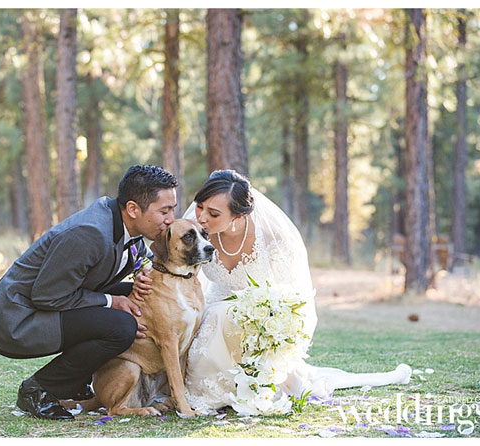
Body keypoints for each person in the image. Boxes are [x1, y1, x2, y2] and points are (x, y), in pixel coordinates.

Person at [136, 169, 411, 414]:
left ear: (238, 215)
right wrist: (141, 281)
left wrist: (273, 327)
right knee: (216, 318)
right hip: (214, 314)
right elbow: (169, 267)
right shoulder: (195, 233)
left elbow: (289, 297)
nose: (202, 219)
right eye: (200, 207)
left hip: (256, 320)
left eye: (214, 214)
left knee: (227, 320)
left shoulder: (272, 241)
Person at [0, 165, 178, 420]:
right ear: (134, 209)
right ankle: (39, 388)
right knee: (121, 326)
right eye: (164, 211)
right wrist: (112, 301)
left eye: (173, 210)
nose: (170, 219)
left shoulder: (127, 224)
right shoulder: (89, 233)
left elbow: (141, 260)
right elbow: (47, 296)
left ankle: (80, 380)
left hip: (50, 300)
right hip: (17, 318)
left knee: (140, 299)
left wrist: (144, 276)